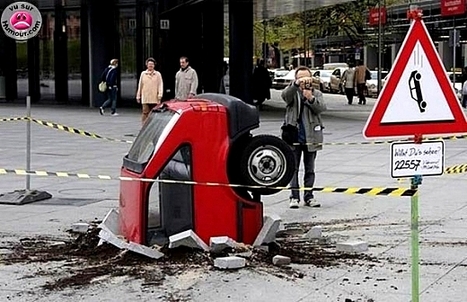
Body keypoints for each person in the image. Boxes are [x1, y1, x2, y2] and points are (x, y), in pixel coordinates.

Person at [281, 66, 327, 209]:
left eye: (306, 78)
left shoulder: (317, 93)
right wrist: (295, 85)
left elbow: (321, 108)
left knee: (310, 169)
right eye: (300, 78)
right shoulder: (292, 93)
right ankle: (294, 197)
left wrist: (310, 98)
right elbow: (285, 96)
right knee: (293, 168)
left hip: (311, 136)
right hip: (294, 135)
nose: (304, 81)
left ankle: (309, 196)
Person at [136, 57, 164, 125]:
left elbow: (160, 85)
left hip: (154, 98)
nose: (150, 65)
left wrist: (160, 95)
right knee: (145, 112)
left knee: (154, 113)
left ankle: (153, 126)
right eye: (149, 64)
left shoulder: (158, 74)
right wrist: (138, 95)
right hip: (145, 97)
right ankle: (144, 126)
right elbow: (140, 85)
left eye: (152, 64)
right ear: (146, 65)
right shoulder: (143, 74)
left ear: (154, 65)